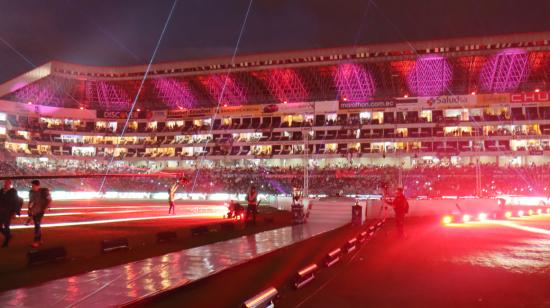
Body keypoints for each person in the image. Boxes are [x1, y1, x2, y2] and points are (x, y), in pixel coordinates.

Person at [28, 180, 52, 248]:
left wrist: (45, 207)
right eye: (32, 186)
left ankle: (36, 241)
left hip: (40, 211)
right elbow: (31, 201)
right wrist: (29, 209)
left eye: (33, 185)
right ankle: (40, 240)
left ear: (38, 185)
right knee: (37, 225)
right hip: (34, 211)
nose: (32, 187)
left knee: (37, 226)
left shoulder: (43, 192)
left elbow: (49, 199)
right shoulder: (31, 192)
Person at [0, 179, 22, 248]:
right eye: (5, 183)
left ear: (10, 184)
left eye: (7, 183)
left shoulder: (13, 192)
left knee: (6, 227)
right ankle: (8, 236)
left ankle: (6, 241)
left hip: (8, 212)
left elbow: (16, 202)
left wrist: (15, 212)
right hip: (0, 211)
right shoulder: (1, 191)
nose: (5, 184)